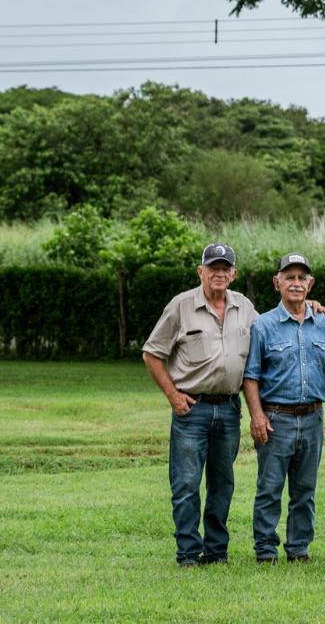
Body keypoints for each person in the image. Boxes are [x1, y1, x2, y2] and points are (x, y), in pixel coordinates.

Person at [141, 243, 258, 567]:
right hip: (192, 409)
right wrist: (173, 395)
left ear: (233, 274)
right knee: (187, 483)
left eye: (225, 268)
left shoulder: (244, 307)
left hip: (230, 409)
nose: (219, 273)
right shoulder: (181, 306)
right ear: (200, 271)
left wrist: (310, 304)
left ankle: (217, 551)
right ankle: (189, 553)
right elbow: (152, 353)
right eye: (213, 268)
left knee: (222, 484)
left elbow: (270, 333)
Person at [241, 253, 325, 564]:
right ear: (278, 283)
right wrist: (257, 416)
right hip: (276, 418)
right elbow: (251, 375)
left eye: (302, 278)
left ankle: (299, 549)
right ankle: (265, 550)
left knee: (305, 490)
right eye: (290, 277)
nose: (296, 283)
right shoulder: (263, 326)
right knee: (269, 488)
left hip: (313, 418)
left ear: (310, 284)